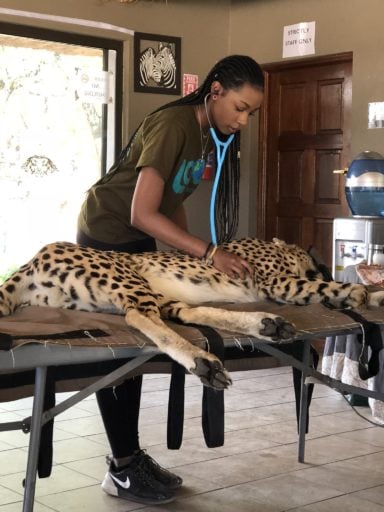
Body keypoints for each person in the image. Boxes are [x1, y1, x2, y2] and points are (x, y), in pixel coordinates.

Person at [76, 54, 264, 505]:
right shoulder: (175, 125)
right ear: (214, 90)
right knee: (115, 352)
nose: (242, 120)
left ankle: (129, 457)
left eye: (250, 113)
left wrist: (186, 251)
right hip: (105, 232)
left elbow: (172, 199)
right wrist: (209, 252)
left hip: (137, 239)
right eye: (239, 107)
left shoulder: (204, 135)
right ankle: (121, 469)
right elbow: (142, 211)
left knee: (143, 348)